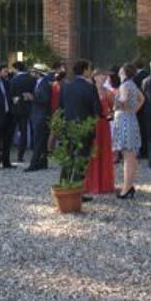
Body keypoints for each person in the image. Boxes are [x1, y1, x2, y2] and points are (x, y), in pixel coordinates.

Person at [59, 59, 101, 202]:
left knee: (68, 158)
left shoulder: (66, 86)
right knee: (82, 159)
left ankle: (64, 186)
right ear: (84, 70)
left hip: (68, 126)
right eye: (89, 69)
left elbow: (61, 107)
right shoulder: (90, 87)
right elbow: (98, 110)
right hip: (85, 127)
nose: (91, 71)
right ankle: (77, 191)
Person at [112, 63, 144, 199]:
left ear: (124, 71)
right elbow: (142, 99)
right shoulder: (132, 84)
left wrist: (116, 106)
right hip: (130, 118)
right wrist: (133, 110)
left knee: (128, 157)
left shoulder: (125, 85)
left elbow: (124, 99)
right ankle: (129, 186)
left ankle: (126, 188)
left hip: (124, 120)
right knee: (130, 157)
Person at [84, 69, 116, 194]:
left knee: (103, 151)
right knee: (92, 151)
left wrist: (110, 115)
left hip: (103, 124)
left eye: (104, 76)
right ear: (95, 77)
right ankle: (90, 183)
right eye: (100, 75)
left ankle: (103, 183)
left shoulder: (108, 92)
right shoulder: (88, 90)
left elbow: (114, 108)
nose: (103, 78)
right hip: (92, 123)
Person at [26, 64, 52, 172]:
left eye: (34, 71)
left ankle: (34, 164)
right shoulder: (39, 83)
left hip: (41, 115)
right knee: (41, 140)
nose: (32, 74)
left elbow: (45, 100)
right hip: (37, 114)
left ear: (39, 72)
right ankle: (43, 161)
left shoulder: (44, 83)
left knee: (38, 139)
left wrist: (33, 98)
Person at [9, 61, 34, 163]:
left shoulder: (14, 79)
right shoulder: (31, 79)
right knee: (24, 131)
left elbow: (11, 94)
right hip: (27, 107)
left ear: (16, 69)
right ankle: (21, 155)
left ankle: (9, 150)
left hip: (16, 108)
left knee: (12, 130)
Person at [133, 59, 150, 158]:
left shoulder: (136, 78)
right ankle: (146, 149)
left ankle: (143, 151)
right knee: (145, 129)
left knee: (141, 130)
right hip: (148, 106)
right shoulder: (148, 74)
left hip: (139, 106)